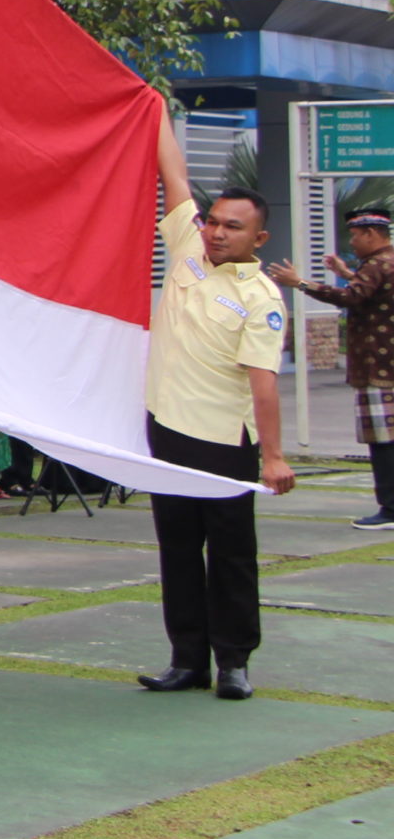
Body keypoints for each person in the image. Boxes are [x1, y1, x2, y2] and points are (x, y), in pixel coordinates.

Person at [140, 116, 294, 701]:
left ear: (259, 239)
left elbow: (263, 384)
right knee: (176, 550)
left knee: (230, 554)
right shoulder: (185, 247)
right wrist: (152, 107)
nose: (216, 232)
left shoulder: (261, 298)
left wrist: (274, 457)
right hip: (168, 432)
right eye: (212, 221)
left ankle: (233, 661)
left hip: (225, 443)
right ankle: (186, 659)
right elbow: (173, 173)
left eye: (233, 227)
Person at [269, 207, 394, 530]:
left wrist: (300, 283)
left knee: (382, 442)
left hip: (377, 370)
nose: (352, 242)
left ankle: (390, 509)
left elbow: (351, 298)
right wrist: (350, 272)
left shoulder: (377, 264)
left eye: (355, 235)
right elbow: (372, 294)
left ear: (370, 234)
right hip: (386, 367)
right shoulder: (385, 262)